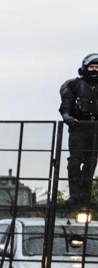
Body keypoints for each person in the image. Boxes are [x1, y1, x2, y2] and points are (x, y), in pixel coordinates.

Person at [59, 53, 98, 210]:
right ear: (85, 68)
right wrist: (68, 117)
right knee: (75, 162)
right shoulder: (74, 85)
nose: (94, 70)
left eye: (97, 67)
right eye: (91, 67)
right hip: (78, 127)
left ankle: (85, 196)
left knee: (91, 162)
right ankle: (75, 195)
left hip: (95, 129)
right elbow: (65, 107)